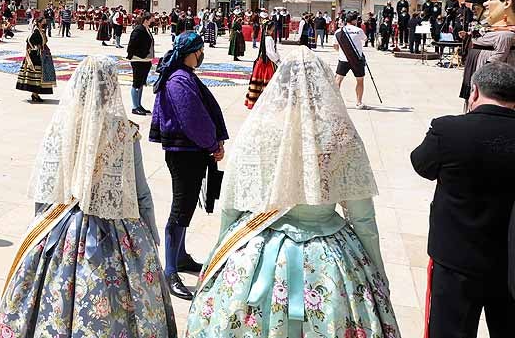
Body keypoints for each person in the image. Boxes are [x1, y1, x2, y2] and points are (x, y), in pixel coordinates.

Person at [187, 46, 397, 337]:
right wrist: (376, 272)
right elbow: (362, 218)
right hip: (328, 258)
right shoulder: (339, 134)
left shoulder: (259, 128)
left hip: (258, 247)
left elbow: (232, 202)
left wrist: (222, 248)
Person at [0, 56, 175, 337]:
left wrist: (38, 233)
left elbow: (46, 188)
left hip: (62, 228)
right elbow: (141, 195)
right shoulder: (124, 132)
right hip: (118, 232)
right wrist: (149, 240)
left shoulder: (62, 127)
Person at [411, 62, 515, 337]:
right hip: (509, 260)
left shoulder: (448, 130)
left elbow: (421, 164)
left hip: (457, 256)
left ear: (475, 92)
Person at [150, 32, 228, 300]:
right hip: (184, 153)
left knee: (186, 206)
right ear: (191, 52)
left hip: (191, 151)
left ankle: (181, 257)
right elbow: (193, 118)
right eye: (200, 50)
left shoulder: (182, 75)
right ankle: (170, 270)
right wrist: (212, 144)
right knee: (180, 209)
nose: (202, 55)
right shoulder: (179, 80)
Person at [16, 14, 57, 103]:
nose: (45, 24)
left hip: (42, 55)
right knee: (36, 75)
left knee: (40, 75)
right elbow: (29, 40)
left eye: (45, 23)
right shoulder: (36, 32)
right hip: (35, 56)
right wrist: (35, 48)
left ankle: (35, 94)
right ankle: (35, 94)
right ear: (38, 23)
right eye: (43, 23)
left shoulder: (41, 31)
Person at [334, 11, 369, 109]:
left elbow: (335, 46)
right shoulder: (359, 30)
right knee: (360, 80)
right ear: (354, 20)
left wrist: (343, 52)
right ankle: (358, 102)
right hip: (357, 60)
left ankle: (335, 102)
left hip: (343, 60)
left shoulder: (338, 32)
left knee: (338, 80)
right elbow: (365, 40)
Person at [126, 10, 155, 116]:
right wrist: (131, 55)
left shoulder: (147, 29)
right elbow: (132, 44)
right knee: (136, 83)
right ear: (146, 20)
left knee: (141, 83)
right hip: (138, 60)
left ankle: (139, 105)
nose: (153, 21)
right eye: (151, 19)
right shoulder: (138, 30)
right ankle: (135, 106)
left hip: (146, 60)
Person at [245, 20, 280, 109]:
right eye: (273, 28)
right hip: (266, 62)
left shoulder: (265, 37)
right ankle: (266, 102)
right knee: (267, 80)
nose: (274, 29)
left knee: (259, 81)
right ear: (270, 29)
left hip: (262, 61)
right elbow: (270, 52)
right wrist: (277, 60)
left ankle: (255, 101)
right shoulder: (269, 38)